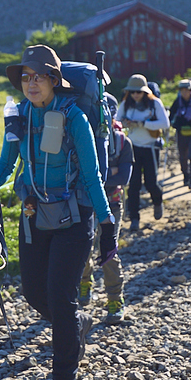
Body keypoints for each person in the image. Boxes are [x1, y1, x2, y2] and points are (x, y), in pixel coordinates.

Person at [0, 45, 113, 380]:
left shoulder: (74, 116)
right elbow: (6, 167)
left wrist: (107, 223)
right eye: (26, 77)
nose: (31, 83)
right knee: (33, 293)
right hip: (33, 213)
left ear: (54, 80)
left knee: (60, 298)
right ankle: (77, 323)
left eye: (39, 76)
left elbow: (92, 175)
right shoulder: (19, 116)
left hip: (75, 216)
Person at [78, 115, 133, 325]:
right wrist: (109, 174)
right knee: (83, 247)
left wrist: (94, 178)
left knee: (108, 251)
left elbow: (124, 178)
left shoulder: (122, 142)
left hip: (112, 203)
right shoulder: (81, 136)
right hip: (85, 203)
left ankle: (115, 300)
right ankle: (85, 282)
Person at [115, 74, 170, 232]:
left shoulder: (155, 104)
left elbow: (165, 123)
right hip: (132, 148)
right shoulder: (126, 105)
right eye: (132, 92)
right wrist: (124, 123)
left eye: (138, 92)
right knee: (134, 185)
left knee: (151, 182)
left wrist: (143, 124)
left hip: (150, 147)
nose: (135, 95)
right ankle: (134, 219)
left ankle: (157, 202)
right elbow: (117, 122)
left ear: (145, 92)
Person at [168, 79, 191, 191]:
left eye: (186, 90)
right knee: (182, 156)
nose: (184, 92)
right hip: (181, 133)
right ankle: (186, 176)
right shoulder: (177, 102)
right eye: (182, 90)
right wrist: (174, 125)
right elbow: (171, 115)